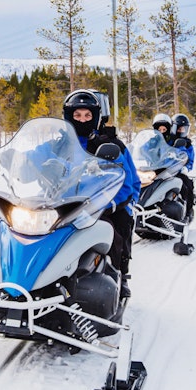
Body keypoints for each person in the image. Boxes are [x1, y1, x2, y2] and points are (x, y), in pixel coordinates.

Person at [63, 89, 140, 294]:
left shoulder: (111, 144)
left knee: (117, 228)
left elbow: (128, 182)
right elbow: (33, 160)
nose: (82, 120)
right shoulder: (59, 145)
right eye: (77, 115)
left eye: (87, 115)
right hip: (63, 204)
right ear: (68, 117)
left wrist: (113, 203)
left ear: (95, 117)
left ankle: (118, 276)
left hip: (101, 205)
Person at [168, 113, 196, 221]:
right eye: (179, 129)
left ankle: (188, 211)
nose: (181, 131)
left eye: (184, 129)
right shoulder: (167, 140)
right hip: (164, 169)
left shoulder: (187, 144)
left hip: (178, 171)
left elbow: (191, 159)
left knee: (186, 186)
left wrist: (186, 168)